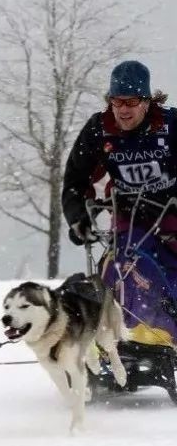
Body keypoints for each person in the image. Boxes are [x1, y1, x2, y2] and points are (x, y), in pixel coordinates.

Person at [62, 59, 177, 342]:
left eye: (131, 102)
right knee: (127, 267)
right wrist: (79, 217)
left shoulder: (171, 126)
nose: (123, 109)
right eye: (117, 102)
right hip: (129, 219)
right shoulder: (99, 130)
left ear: (147, 102)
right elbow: (76, 180)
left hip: (172, 218)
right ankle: (133, 334)